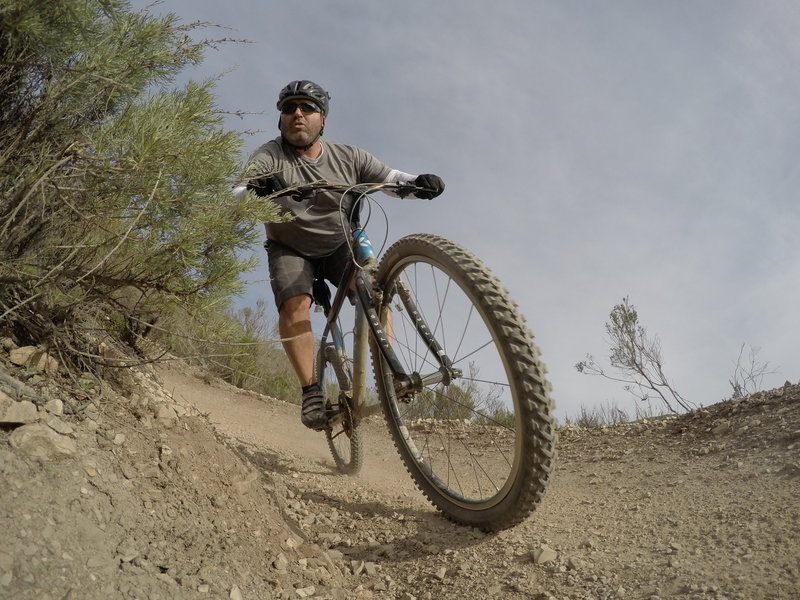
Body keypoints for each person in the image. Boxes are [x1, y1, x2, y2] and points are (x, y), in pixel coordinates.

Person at [243, 80, 445, 430]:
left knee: (375, 290)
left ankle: (385, 371)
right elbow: (238, 191)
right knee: (295, 305)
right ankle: (310, 391)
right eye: (289, 109)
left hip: (339, 244)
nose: (297, 115)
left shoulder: (348, 156)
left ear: (323, 119)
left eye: (307, 108)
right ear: (280, 119)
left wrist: (419, 184)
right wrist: (254, 189)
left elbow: (391, 178)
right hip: (290, 247)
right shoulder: (268, 157)